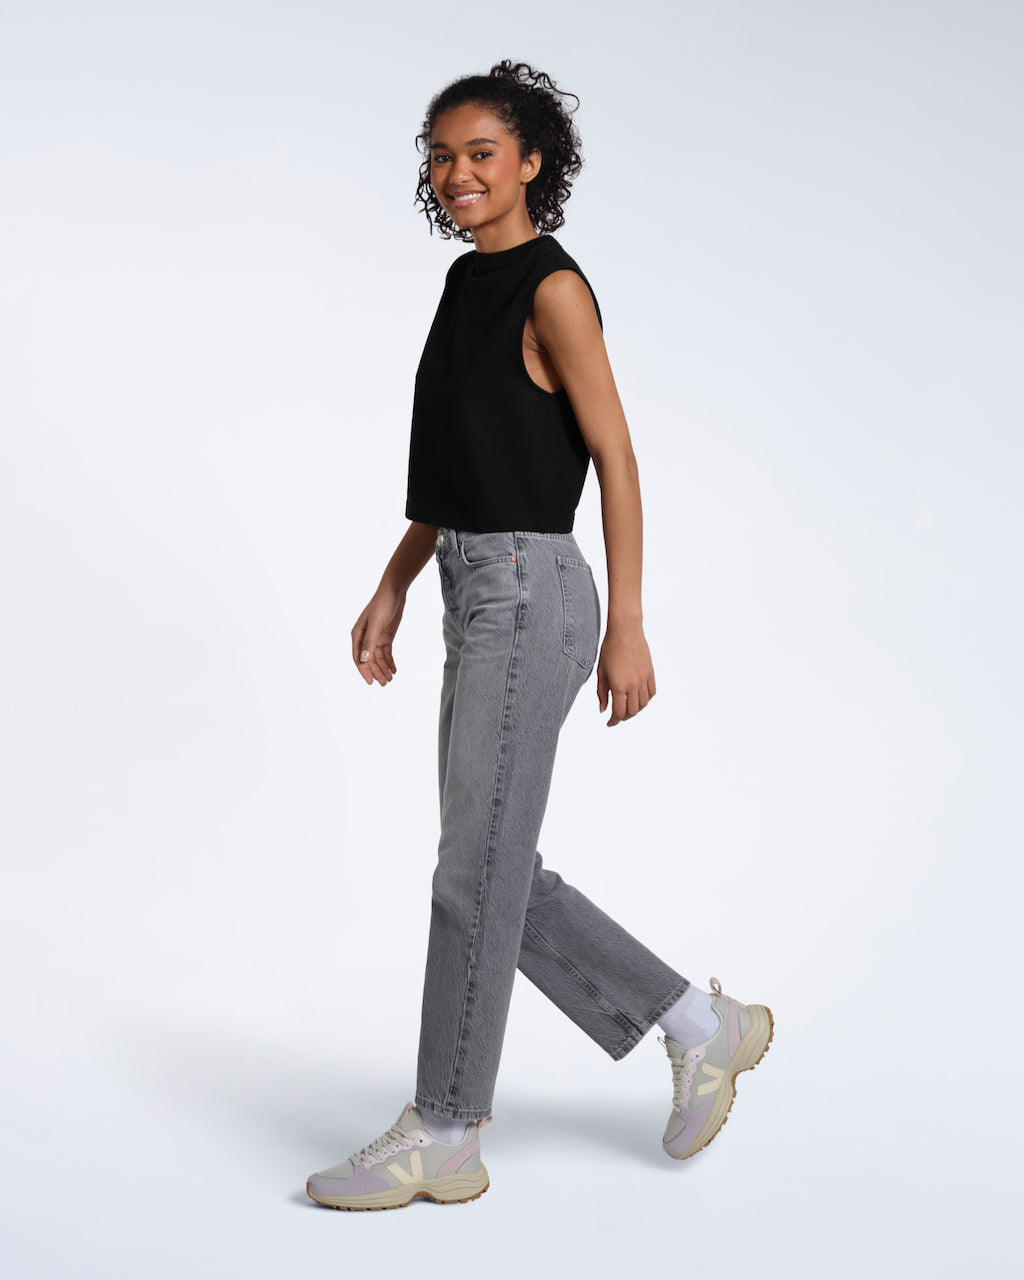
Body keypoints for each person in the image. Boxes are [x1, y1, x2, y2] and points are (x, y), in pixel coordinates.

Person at [306, 60, 773, 1213]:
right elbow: (459, 469)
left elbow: (614, 458)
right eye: (441, 154)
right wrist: (394, 582)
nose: (456, 173)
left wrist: (630, 622)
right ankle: (699, 1022)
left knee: (472, 870)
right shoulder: (467, 286)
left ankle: (448, 1128)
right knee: (492, 863)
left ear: (532, 163)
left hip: (532, 588)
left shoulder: (553, 290)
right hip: (472, 581)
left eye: (480, 153)